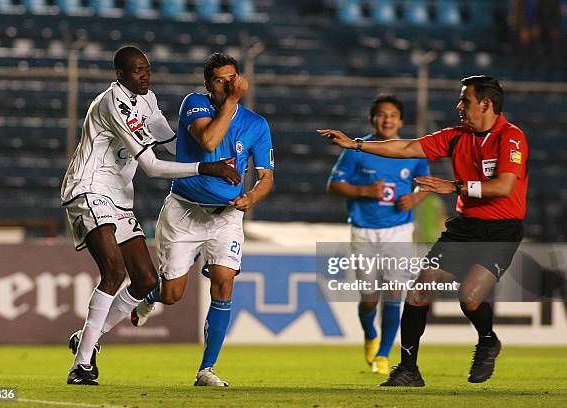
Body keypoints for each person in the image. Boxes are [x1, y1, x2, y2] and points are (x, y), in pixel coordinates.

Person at [319, 75, 529, 386]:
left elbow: (504, 186)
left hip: (501, 229)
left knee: (469, 297)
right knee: (418, 291)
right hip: (464, 227)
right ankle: (408, 370)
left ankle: (488, 340)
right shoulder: (458, 136)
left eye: (465, 101)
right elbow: (406, 147)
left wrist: (454, 186)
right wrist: (357, 144)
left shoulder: (511, 138)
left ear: (486, 104)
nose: (459, 106)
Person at [60, 46, 241, 386]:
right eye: (136, 70)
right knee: (113, 272)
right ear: (120, 74)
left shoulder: (148, 100)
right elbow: (152, 165)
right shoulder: (112, 103)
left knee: (144, 282)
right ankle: (82, 364)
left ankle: (87, 336)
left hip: (118, 196)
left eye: (147, 69)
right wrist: (207, 167)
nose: (144, 75)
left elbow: (172, 144)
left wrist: (216, 140)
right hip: (88, 189)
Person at [131, 52, 275, 387]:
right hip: (185, 211)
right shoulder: (194, 104)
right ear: (208, 84)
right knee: (173, 294)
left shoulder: (257, 124)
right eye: (220, 80)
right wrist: (233, 101)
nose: (227, 84)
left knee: (224, 281)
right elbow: (209, 139)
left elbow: (266, 175)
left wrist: (252, 196)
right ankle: (149, 299)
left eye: (232, 77)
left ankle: (206, 369)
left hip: (226, 217)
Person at [327, 94, 429, 376]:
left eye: (393, 115)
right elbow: (334, 185)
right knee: (370, 297)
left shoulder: (412, 151)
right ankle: (370, 332)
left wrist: (415, 199)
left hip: (399, 230)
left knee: (395, 292)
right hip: (364, 230)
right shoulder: (357, 149)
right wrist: (364, 192)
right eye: (382, 114)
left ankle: (384, 354)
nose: (387, 119)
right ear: (373, 119)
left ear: (401, 120)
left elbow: (427, 185)